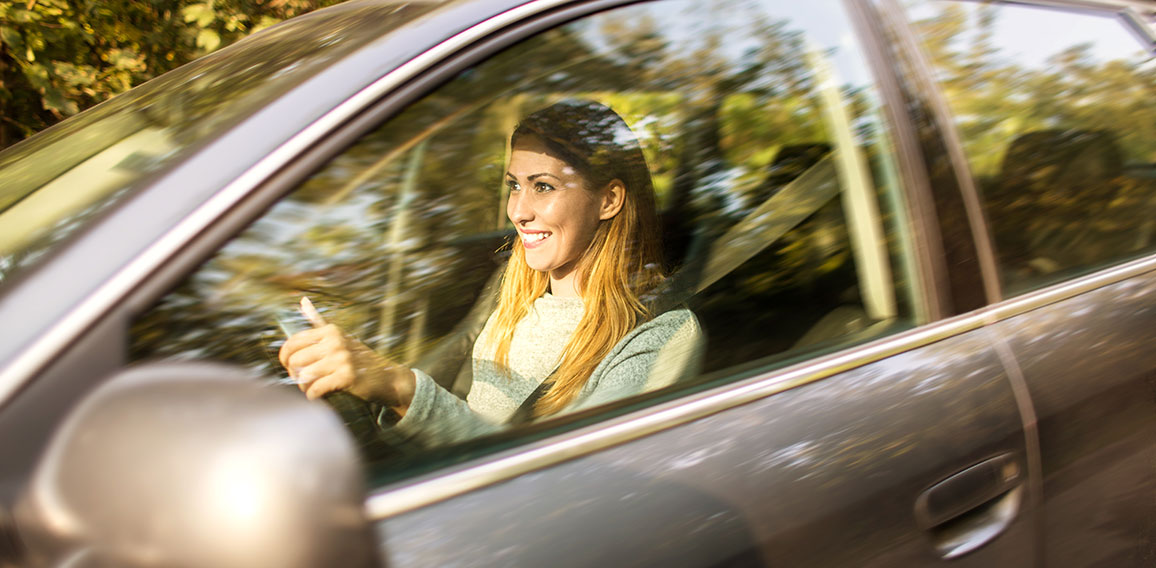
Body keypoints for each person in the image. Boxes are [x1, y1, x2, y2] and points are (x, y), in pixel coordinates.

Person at [279, 100, 703, 446]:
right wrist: (361, 376)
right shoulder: (510, 290)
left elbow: (571, 478)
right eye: (514, 185)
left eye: (543, 186)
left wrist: (398, 387)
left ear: (609, 200)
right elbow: (445, 394)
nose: (517, 211)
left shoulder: (660, 337)